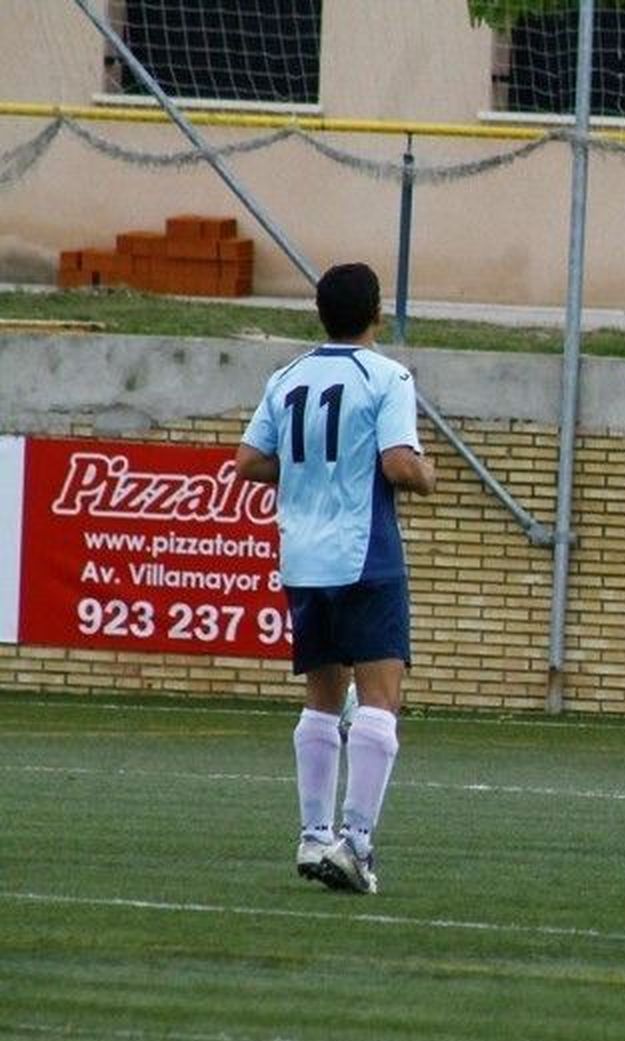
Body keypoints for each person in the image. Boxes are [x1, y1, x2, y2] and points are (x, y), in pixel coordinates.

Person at [236, 262, 436, 894]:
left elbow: (247, 462)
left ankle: (313, 836)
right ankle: (356, 844)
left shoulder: (287, 375)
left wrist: (306, 475)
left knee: (323, 700)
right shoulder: (387, 375)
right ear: (377, 314)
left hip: (302, 558)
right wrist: (428, 476)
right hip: (364, 554)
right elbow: (400, 464)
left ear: (320, 314)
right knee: (381, 699)